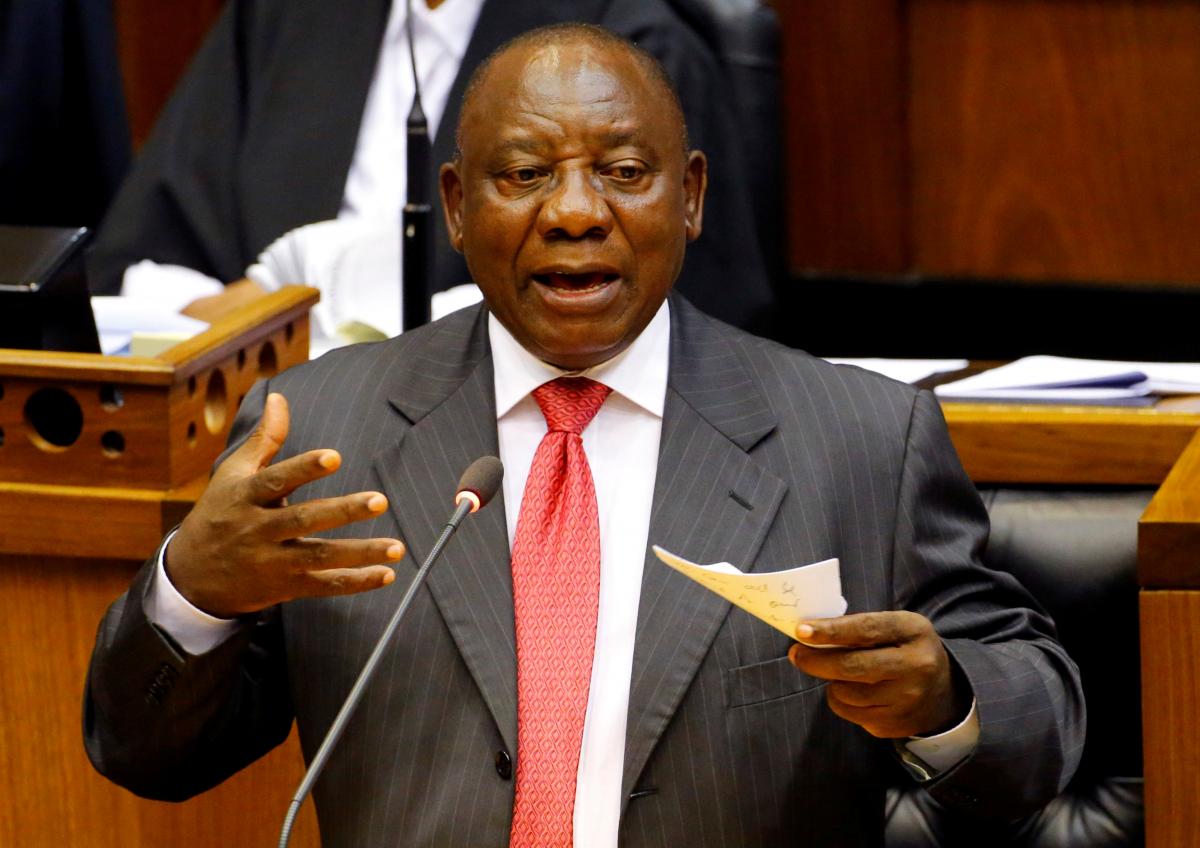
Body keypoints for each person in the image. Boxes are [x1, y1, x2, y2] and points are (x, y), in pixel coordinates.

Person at [84, 25, 1084, 847]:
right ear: (456, 207)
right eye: (525, 173)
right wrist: (193, 594)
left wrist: (943, 699)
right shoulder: (321, 430)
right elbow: (147, 754)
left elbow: (1035, 725)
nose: (573, 212)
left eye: (624, 171)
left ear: (690, 196)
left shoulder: (860, 438)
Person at [85, 0, 777, 343]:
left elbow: (673, 323)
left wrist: (293, 306)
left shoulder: (624, 46)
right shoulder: (285, 15)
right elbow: (146, 254)